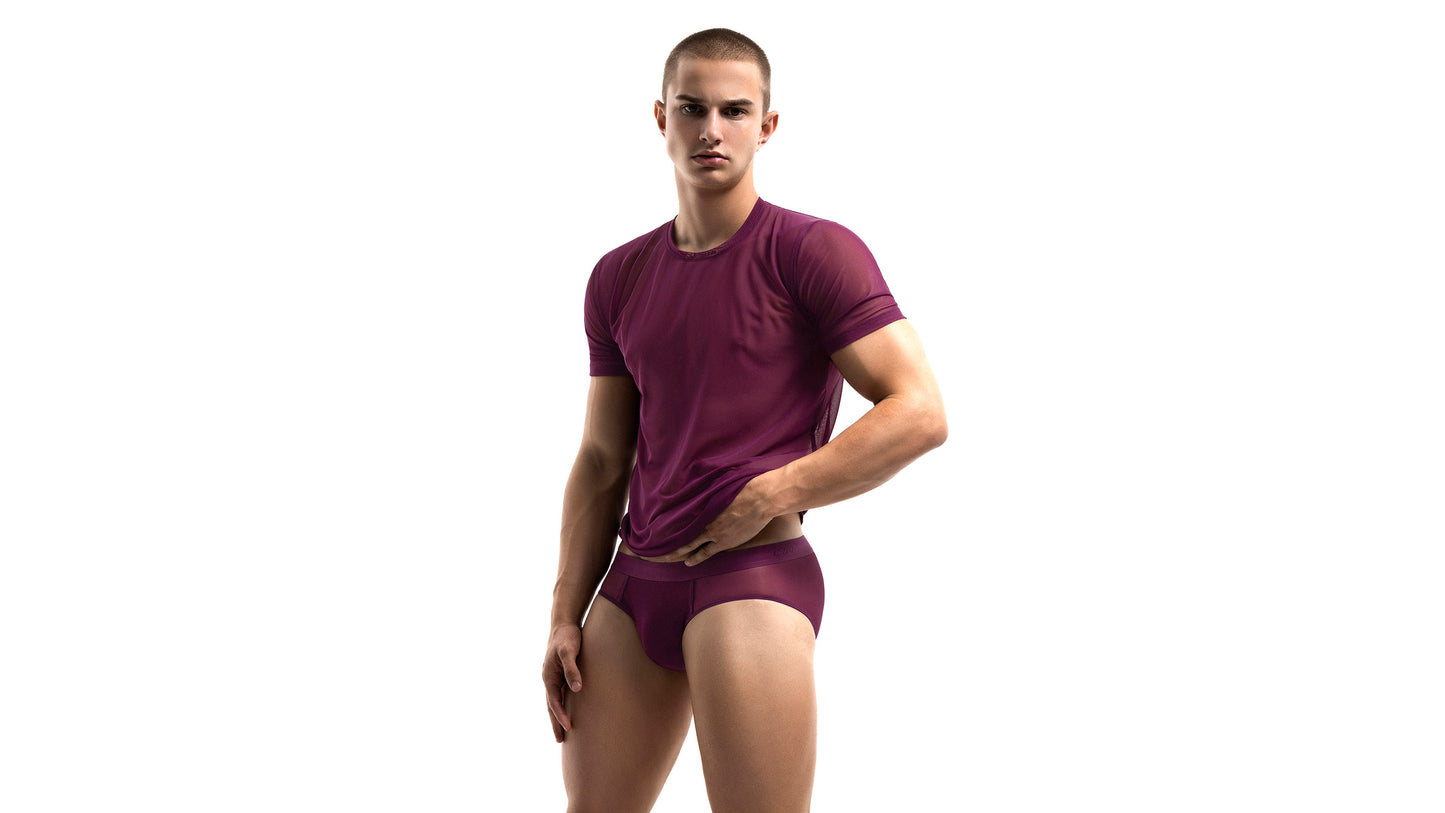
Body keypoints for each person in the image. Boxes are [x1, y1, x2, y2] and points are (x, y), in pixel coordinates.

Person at [542, 28, 947, 812]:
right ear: (660, 117)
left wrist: (772, 492)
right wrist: (564, 611)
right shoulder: (617, 276)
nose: (711, 129)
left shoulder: (812, 251)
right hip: (631, 585)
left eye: (733, 111)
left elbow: (919, 410)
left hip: (749, 580)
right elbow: (600, 459)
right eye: (691, 109)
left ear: (766, 126)